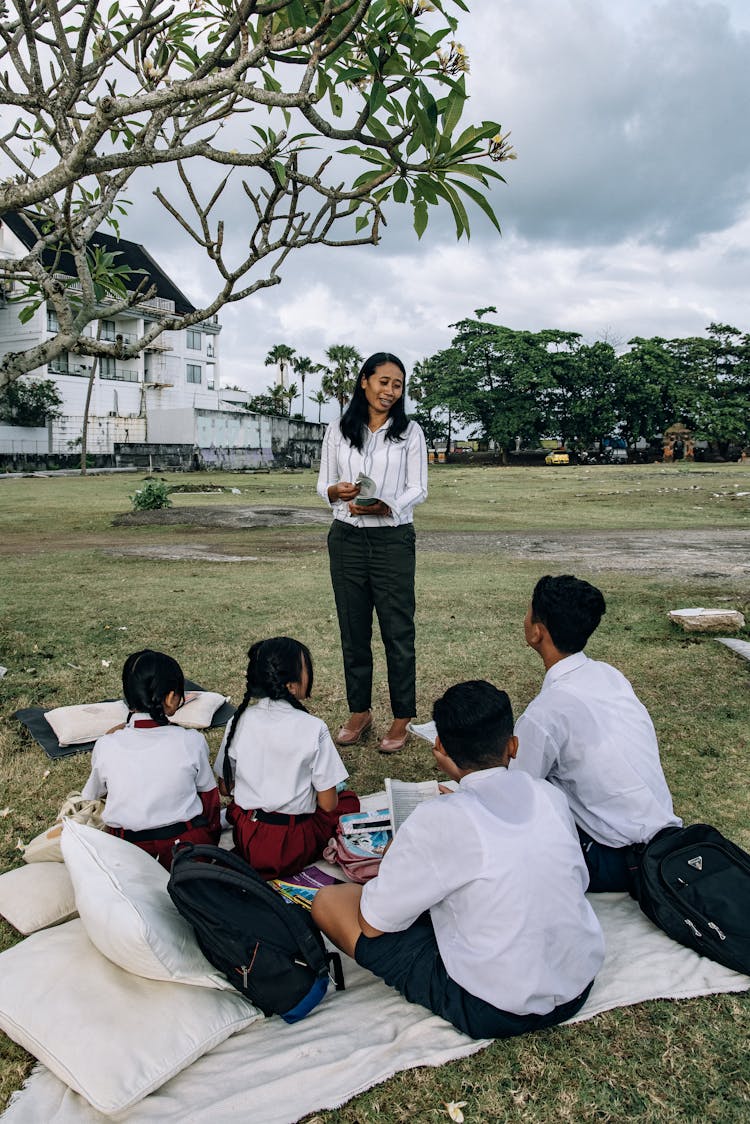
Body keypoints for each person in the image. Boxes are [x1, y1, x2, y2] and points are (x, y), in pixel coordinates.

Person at [312, 680, 604, 1040]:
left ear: (439, 747)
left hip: (494, 1006)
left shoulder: (439, 819)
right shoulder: (549, 796)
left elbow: (373, 924)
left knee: (329, 901)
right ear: (513, 746)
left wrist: (397, 852)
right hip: (577, 982)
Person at [511, 574, 682, 891]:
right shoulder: (609, 675)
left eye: (528, 611)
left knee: (507, 840)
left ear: (537, 632)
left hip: (620, 860)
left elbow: (515, 794)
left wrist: (468, 780)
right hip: (662, 836)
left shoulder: (544, 713)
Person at [317, 352, 428, 753]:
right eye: (383, 382)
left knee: (398, 631)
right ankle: (359, 711)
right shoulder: (339, 429)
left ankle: (401, 717)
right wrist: (336, 492)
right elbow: (323, 484)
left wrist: (390, 504)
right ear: (364, 381)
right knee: (353, 630)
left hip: (392, 542)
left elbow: (419, 487)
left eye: (397, 385)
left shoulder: (409, 432)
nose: (390, 391)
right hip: (346, 539)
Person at [214, 636, 359, 879]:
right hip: (291, 843)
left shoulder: (238, 720)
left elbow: (225, 788)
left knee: (238, 807)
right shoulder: (314, 728)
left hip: (248, 834)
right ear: (291, 686)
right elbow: (327, 804)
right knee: (347, 800)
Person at [81, 649, 221, 870]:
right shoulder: (190, 741)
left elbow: (91, 796)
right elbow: (210, 801)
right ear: (170, 697)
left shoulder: (107, 744)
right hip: (186, 849)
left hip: (127, 852)